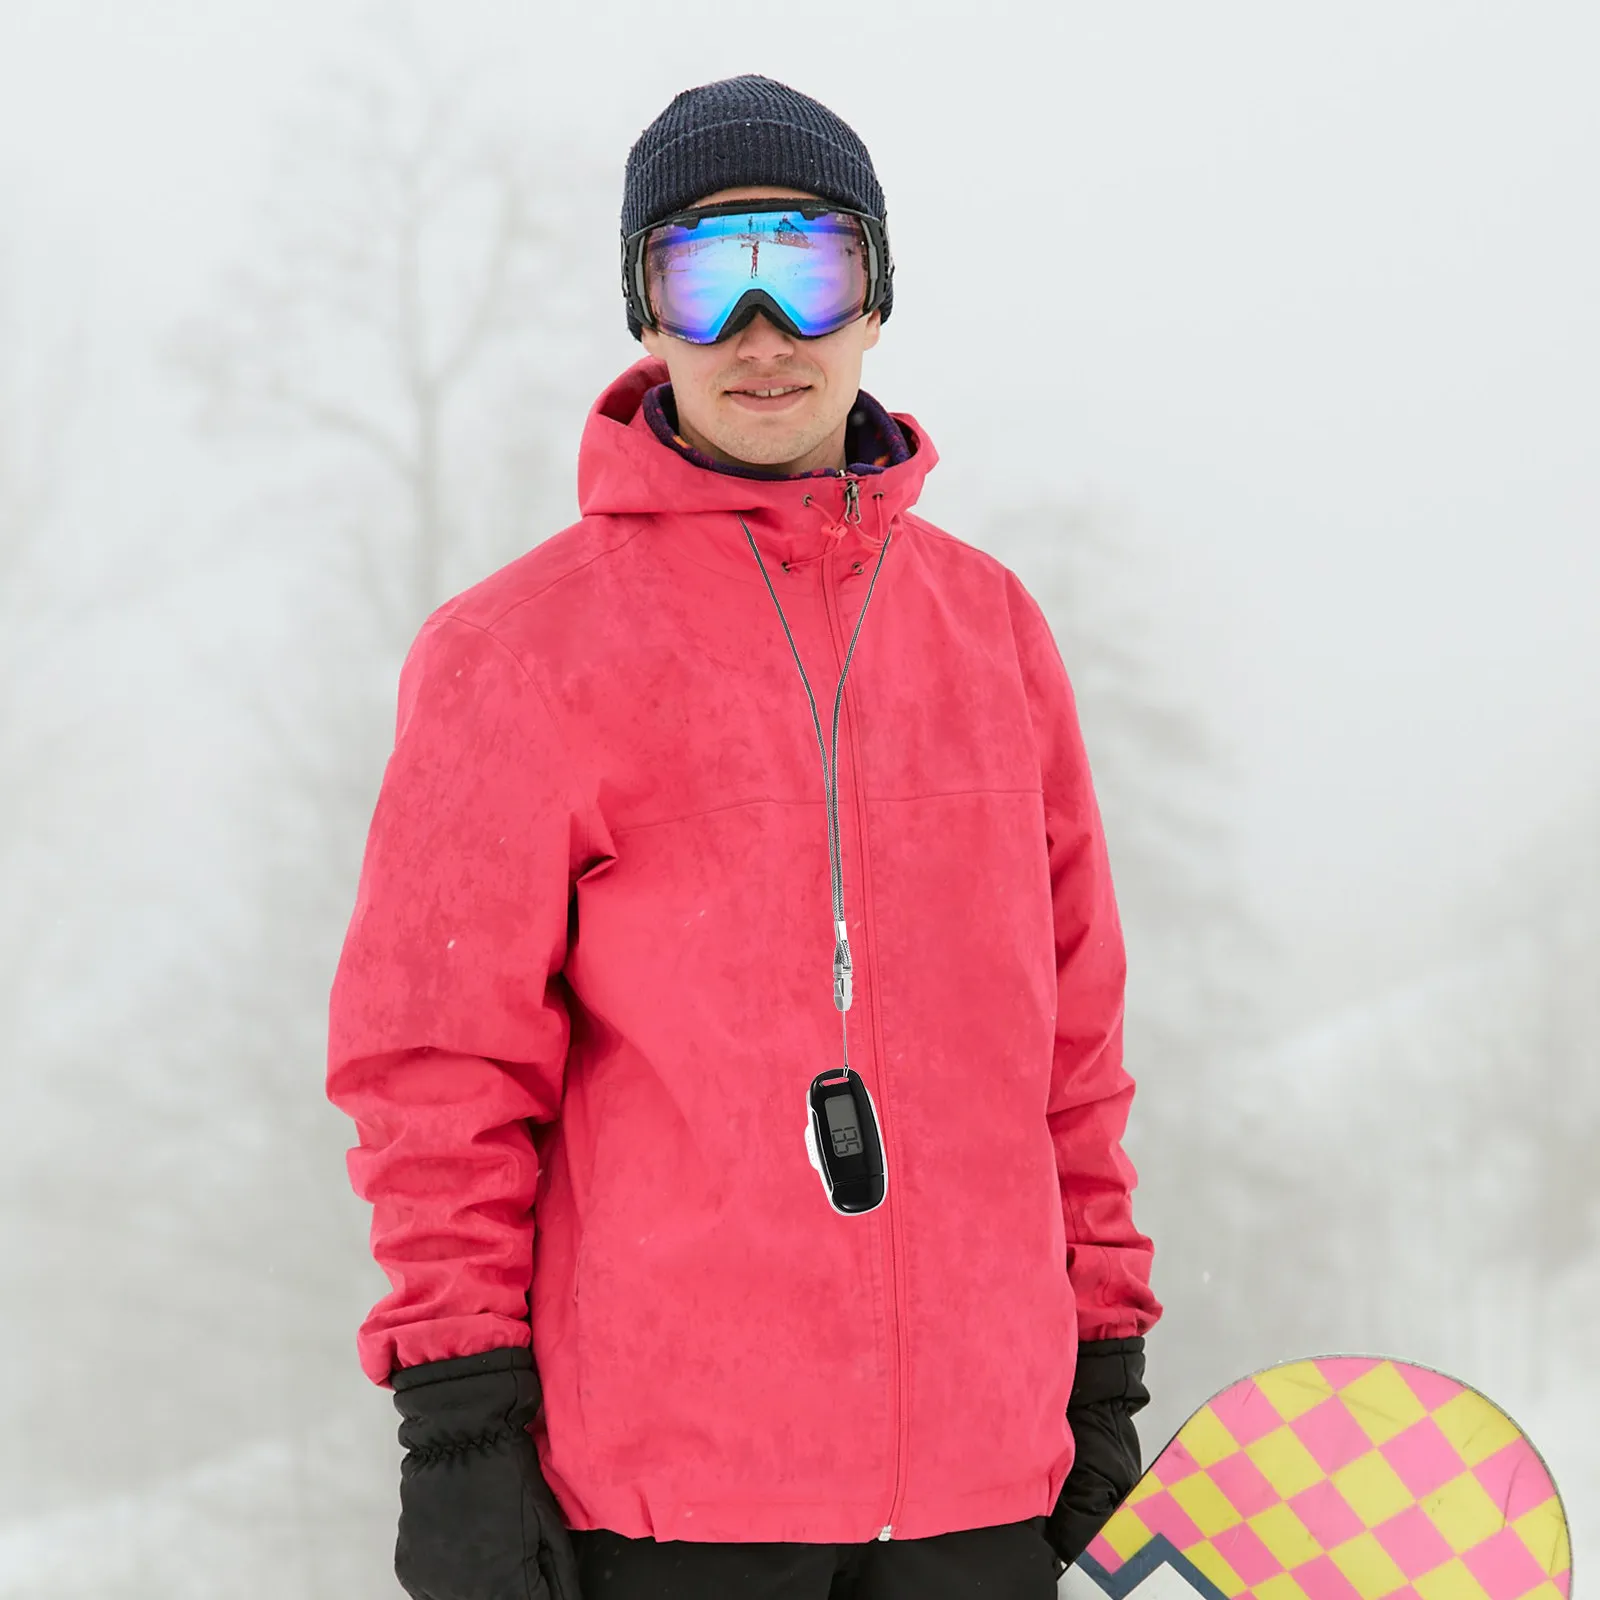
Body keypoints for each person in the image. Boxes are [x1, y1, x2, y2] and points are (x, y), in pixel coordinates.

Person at [326, 72, 1162, 1600]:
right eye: (710, 277)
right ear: (646, 312)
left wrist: (1101, 1360)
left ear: (877, 298)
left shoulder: (993, 636)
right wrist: (459, 1425)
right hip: (675, 1501)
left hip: (984, 1478)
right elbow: (438, 1073)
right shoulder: (517, 657)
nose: (764, 334)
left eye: (811, 269)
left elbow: (1074, 1055)